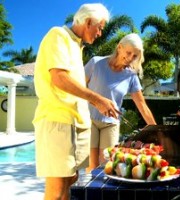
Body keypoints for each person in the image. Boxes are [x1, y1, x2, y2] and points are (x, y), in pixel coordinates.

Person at [33, 3, 119, 200]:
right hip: (59, 121)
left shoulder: (76, 46)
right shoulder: (58, 35)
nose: (100, 33)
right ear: (89, 22)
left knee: (70, 180)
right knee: (56, 189)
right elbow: (59, 78)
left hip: (76, 123)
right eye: (100, 27)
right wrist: (97, 100)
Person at [85, 33, 157, 172]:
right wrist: (96, 102)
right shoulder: (96, 63)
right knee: (92, 165)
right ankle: (92, 193)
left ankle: (103, 193)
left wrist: (156, 131)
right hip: (89, 120)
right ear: (119, 47)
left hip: (111, 124)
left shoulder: (131, 75)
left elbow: (142, 105)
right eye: (128, 52)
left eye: (135, 56)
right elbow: (79, 88)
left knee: (107, 166)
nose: (130, 58)